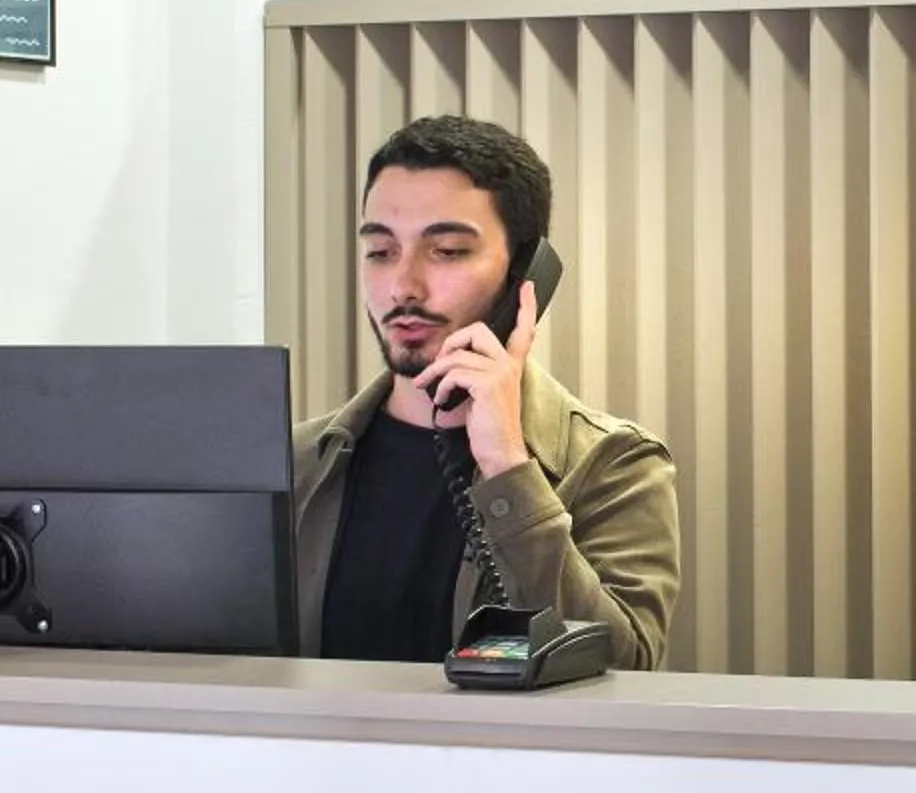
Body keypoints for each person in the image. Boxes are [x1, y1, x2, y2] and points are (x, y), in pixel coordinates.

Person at [291, 115, 680, 666]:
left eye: (447, 250)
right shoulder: (297, 466)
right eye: (380, 252)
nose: (403, 285)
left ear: (524, 276)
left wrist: (507, 467)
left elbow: (622, 667)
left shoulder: (615, 463)